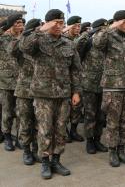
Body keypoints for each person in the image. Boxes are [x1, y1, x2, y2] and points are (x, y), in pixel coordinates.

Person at [19, 9, 82, 179]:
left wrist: (76, 91)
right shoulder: (38, 40)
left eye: (61, 23)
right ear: (47, 23)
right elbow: (23, 46)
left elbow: (75, 69)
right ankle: (45, 161)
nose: (58, 26)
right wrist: (41, 30)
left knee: (60, 129)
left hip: (63, 94)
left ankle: (56, 160)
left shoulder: (69, 43)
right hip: (43, 93)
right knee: (45, 129)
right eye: (55, 22)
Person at [93, 10, 125, 167]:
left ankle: (122, 150)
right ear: (116, 22)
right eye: (123, 21)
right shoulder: (108, 36)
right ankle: (112, 151)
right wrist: (111, 27)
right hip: (112, 87)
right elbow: (96, 43)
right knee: (113, 122)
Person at [8, 18, 42, 165]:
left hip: (41, 90)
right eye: (36, 30)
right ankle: (27, 151)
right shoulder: (21, 45)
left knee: (38, 123)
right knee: (25, 122)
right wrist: (24, 34)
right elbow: (11, 50)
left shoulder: (42, 45)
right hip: (24, 90)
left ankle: (36, 150)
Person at [76, 18, 108, 154]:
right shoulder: (87, 42)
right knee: (90, 114)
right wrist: (88, 33)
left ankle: (97, 139)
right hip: (89, 85)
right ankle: (89, 141)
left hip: (104, 84)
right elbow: (76, 47)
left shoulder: (107, 43)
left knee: (101, 115)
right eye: (103, 29)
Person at [0, 14, 24, 151]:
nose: (19, 24)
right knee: (7, 111)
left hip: (22, 81)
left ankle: (21, 137)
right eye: (15, 22)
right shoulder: (3, 38)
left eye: (20, 22)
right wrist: (5, 25)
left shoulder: (24, 38)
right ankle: (7, 136)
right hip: (5, 81)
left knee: (21, 112)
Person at [64, 15, 85, 142]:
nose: (78, 28)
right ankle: (64, 131)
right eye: (75, 26)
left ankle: (73, 130)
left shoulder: (80, 39)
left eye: (79, 26)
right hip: (65, 77)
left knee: (77, 106)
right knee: (65, 107)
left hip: (78, 76)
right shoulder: (63, 39)